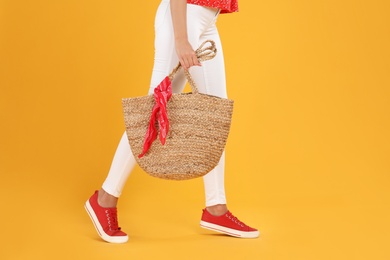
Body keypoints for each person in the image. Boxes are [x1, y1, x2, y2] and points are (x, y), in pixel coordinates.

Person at [85, 0, 259, 243]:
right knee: (153, 111)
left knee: (214, 115)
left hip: (206, 19)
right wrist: (181, 38)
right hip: (183, 17)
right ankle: (105, 198)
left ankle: (216, 208)